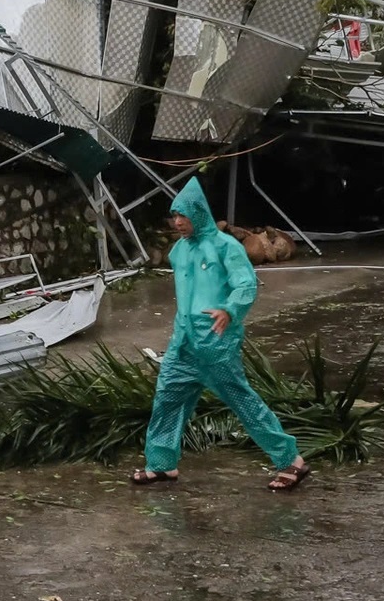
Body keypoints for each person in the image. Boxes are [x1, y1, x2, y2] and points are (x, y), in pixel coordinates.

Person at [131, 176, 311, 492]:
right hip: (184, 341)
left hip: (216, 340)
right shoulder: (179, 251)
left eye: (183, 216)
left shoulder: (226, 247)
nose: (177, 222)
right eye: (175, 216)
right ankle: (161, 465)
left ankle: (291, 461)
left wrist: (229, 309)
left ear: (198, 213)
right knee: (167, 399)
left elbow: (246, 284)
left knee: (242, 401)